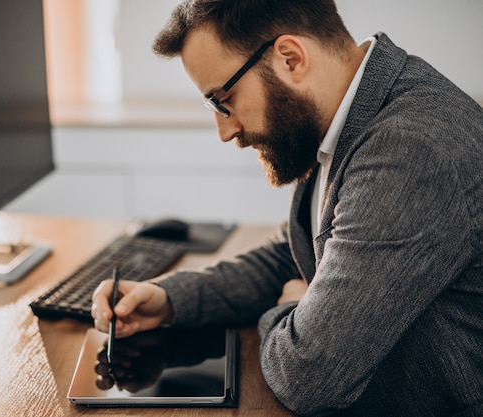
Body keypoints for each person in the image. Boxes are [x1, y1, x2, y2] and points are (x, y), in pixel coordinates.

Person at [91, 0, 483, 415]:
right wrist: (171, 298)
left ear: (291, 59)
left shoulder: (408, 150)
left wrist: (295, 306)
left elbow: (309, 376)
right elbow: (290, 254)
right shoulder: (352, 113)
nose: (225, 130)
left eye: (224, 100)